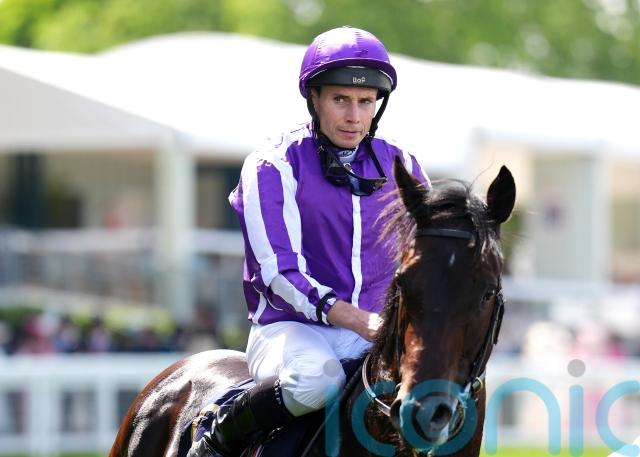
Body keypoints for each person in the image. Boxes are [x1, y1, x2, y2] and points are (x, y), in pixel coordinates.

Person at [191, 26, 429, 456]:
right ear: (314, 98)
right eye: (340, 99)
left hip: (375, 330)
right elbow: (277, 272)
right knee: (320, 380)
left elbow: (426, 254)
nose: (354, 116)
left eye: (366, 101)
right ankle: (220, 430)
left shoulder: (403, 164)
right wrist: (357, 320)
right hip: (290, 329)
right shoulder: (271, 163)